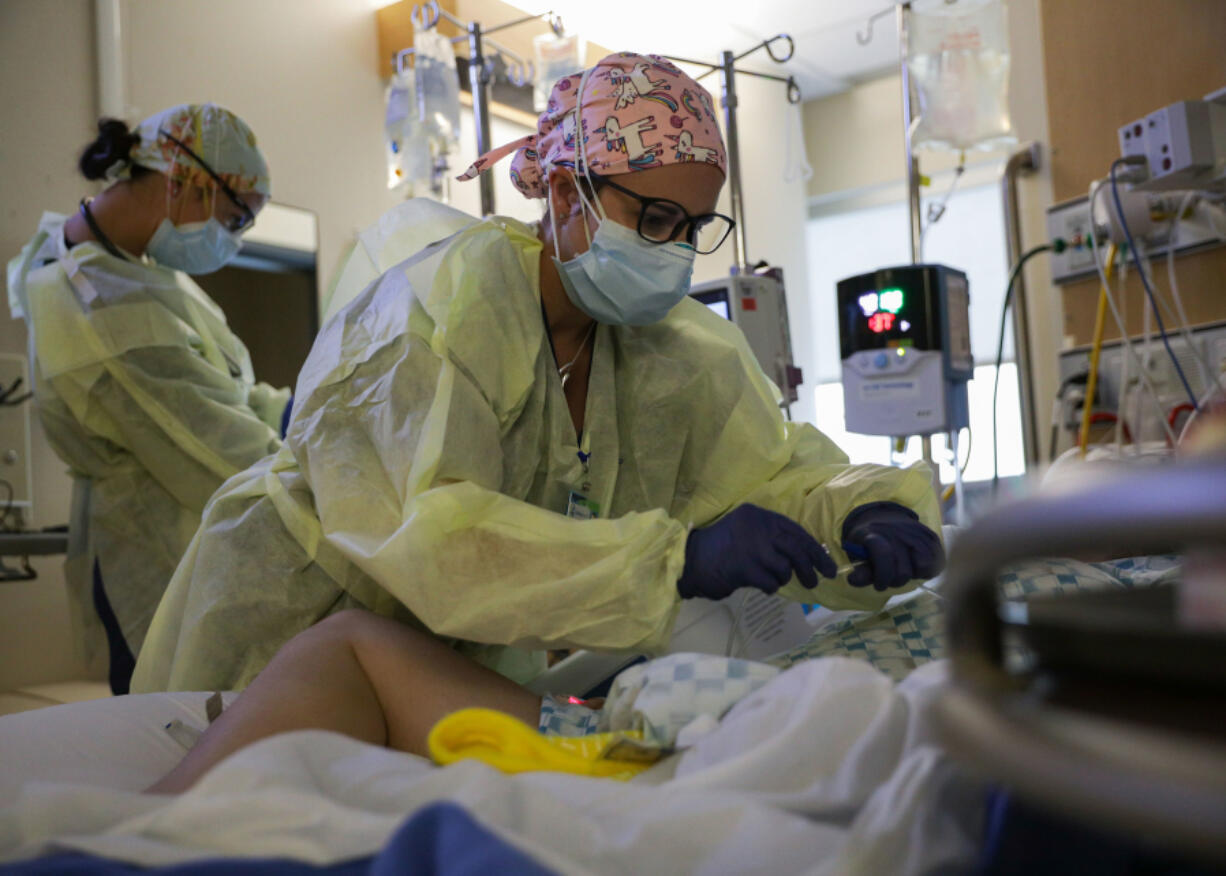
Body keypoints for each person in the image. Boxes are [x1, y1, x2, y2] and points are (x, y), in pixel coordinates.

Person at [132, 54, 942, 699]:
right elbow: (438, 544)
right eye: (654, 219)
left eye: (695, 227)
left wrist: (861, 507)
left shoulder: (662, 346)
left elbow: (771, 468)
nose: (676, 250)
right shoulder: (439, 308)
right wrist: (676, 560)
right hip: (289, 634)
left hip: (443, 673)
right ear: (563, 190)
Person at [7, 103, 289, 694]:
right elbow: (218, 450)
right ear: (185, 181)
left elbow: (218, 386)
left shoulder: (128, 267)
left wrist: (296, 407)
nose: (232, 242)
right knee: (177, 731)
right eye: (237, 219)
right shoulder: (100, 306)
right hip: (158, 550)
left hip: (178, 533)